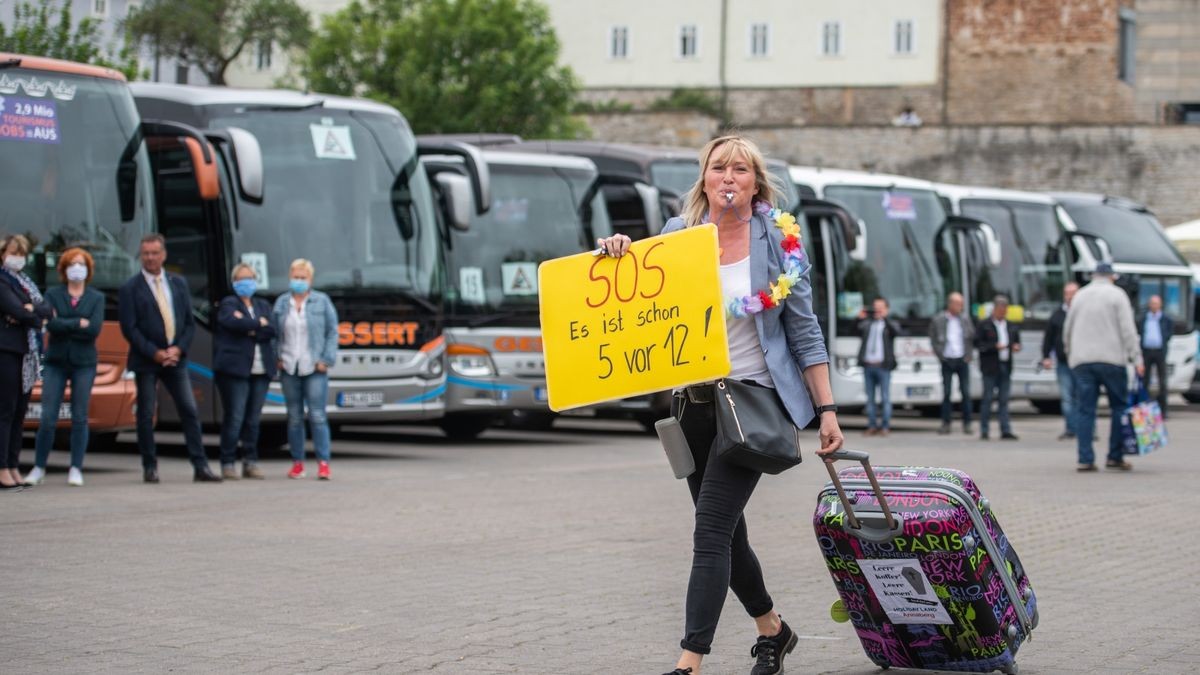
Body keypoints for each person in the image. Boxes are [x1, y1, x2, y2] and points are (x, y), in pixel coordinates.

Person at [597, 135, 844, 675]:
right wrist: (619, 253)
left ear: (756, 182)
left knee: (709, 532)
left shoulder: (778, 239)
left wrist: (826, 410)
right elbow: (638, 299)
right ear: (703, 178)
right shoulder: (676, 235)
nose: (728, 177)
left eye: (741, 169)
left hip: (751, 405)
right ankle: (773, 632)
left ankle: (689, 662)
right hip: (692, 407)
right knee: (729, 533)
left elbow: (804, 332)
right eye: (719, 168)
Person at [118, 234, 221, 483]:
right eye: (146, 254)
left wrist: (178, 349)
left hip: (176, 360)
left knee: (189, 410)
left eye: (155, 253)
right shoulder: (131, 288)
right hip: (146, 360)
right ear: (141, 256)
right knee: (145, 414)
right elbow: (129, 328)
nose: (151, 258)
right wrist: (154, 352)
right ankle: (149, 466)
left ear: (164, 255)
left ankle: (200, 466)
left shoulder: (178, 283)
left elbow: (188, 322)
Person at [27, 249, 104, 487]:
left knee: (80, 416)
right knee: (48, 417)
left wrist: (66, 323)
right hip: (56, 362)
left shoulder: (96, 297)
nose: (77, 268)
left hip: (84, 363)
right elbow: (51, 325)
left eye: (81, 264)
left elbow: (94, 329)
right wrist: (77, 323)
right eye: (72, 264)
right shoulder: (53, 294)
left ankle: (76, 468)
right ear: (64, 269)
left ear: (88, 269)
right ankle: (39, 467)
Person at [1063, 263, 1144, 472]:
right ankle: (1114, 456)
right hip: (1112, 360)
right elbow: (1128, 330)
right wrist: (1137, 359)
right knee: (1118, 407)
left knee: (1085, 410)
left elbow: (1068, 329)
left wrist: (1071, 354)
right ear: (1112, 277)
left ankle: (1085, 458)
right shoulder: (1117, 295)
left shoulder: (1080, 295)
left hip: (1082, 361)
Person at [273, 259, 338, 481]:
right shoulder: (282, 303)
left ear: (310, 279)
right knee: (294, 417)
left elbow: (332, 332)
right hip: (290, 365)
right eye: (295, 277)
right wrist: (277, 357)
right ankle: (298, 463)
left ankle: (323, 463)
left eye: (303, 277)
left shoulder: (322, 301)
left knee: (318, 416)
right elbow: (273, 333)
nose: (299, 281)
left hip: (314, 367)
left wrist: (326, 359)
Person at [213, 263, 277, 480]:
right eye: (241, 279)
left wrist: (250, 326)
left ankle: (251, 461)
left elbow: (271, 329)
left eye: (249, 278)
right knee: (235, 417)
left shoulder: (262, 304)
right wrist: (257, 324)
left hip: (261, 370)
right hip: (235, 371)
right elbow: (231, 324)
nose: (246, 283)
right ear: (234, 282)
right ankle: (227, 462)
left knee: (253, 419)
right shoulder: (228, 303)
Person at [0, 235, 53, 490]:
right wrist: (30, 313)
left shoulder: (25, 282)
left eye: (22, 253)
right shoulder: (2, 281)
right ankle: (1, 469)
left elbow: (47, 310)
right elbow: (17, 310)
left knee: (20, 413)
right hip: (7, 352)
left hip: (27, 355)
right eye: (13, 252)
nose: (18, 257)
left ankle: (13, 465)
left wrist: (29, 311)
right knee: (6, 412)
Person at [976, 295, 1021, 441]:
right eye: (1000, 309)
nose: (1003, 312)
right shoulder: (984, 325)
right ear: (995, 309)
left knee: (1004, 399)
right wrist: (993, 347)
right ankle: (984, 430)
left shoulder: (1011, 325)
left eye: (1005, 310)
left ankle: (1005, 429)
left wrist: (1016, 347)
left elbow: (1016, 341)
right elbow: (978, 344)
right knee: (988, 399)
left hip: (1005, 365)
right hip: (990, 366)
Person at [856, 297, 903, 436]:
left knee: (885, 397)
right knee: (870, 399)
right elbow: (854, 330)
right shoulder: (867, 324)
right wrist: (858, 318)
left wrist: (885, 318)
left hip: (883, 366)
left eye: (880, 307)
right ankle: (871, 425)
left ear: (887, 309)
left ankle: (885, 426)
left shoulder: (889, 324)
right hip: (868, 365)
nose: (877, 310)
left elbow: (897, 332)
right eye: (875, 307)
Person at [930, 292, 975, 435]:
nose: (960, 307)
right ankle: (946, 423)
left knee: (966, 393)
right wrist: (940, 355)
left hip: (962, 360)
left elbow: (972, 337)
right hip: (947, 359)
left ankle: (967, 423)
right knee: (947, 393)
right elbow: (933, 338)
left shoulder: (965, 319)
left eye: (961, 304)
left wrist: (968, 355)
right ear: (950, 304)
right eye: (957, 304)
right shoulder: (939, 319)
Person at [1041, 282, 1080, 440]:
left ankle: (1085, 429)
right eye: (1068, 293)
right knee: (1067, 397)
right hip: (1063, 362)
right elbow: (1048, 337)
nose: (1070, 297)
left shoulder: (1084, 313)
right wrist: (1046, 356)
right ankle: (1070, 429)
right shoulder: (1057, 315)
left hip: (1080, 362)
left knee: (1083, 397)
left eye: (1073, 293)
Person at [1136, 294, 1173, 419]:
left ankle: (1163, 411)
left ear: (1160, 305)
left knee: (1162, 382)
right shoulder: (1143, 318)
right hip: (1146, 352)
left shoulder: (1166, 319)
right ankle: (1143, 410)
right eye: (1152, 303)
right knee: (1144, 381)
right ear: (1149, 305)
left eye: (1156, 303)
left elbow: (1168, 333)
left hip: (1160, 352)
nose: (1154, 306)